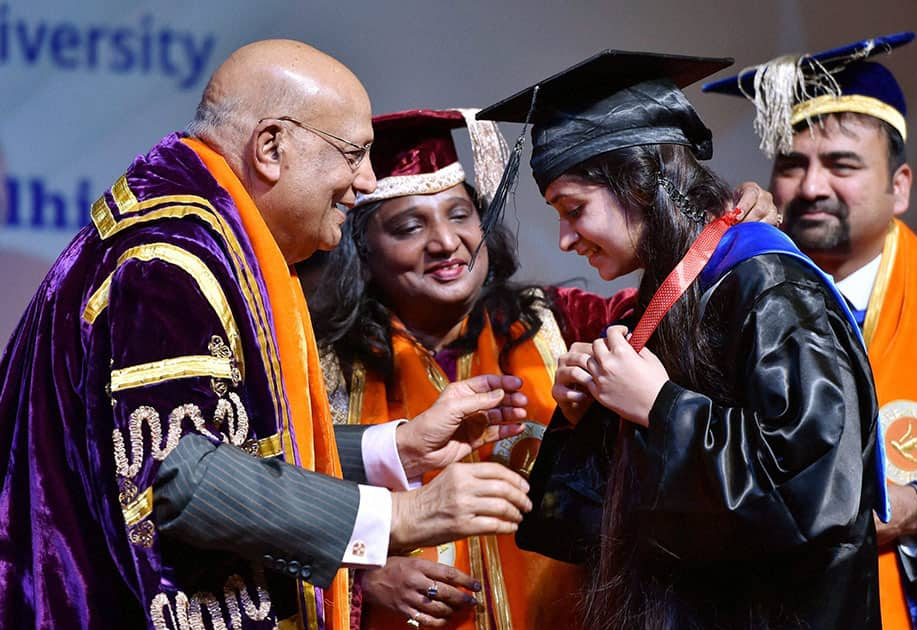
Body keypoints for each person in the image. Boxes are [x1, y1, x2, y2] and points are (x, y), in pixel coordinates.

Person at [0, 40, 535, 630]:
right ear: (272, 147)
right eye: (354, 154)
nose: (366, 181)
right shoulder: (171, 259)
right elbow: (183, 475)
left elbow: (227, 439)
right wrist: (402, 515)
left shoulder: (191, 227)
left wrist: (396, 449)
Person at [304, 107, 779, 629]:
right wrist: (365, 575)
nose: (445, 242)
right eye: (410, 226)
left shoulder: (562, 322)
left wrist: (719, 229)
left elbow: (685, 308)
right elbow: (280, 504)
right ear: (364, 253)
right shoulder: (322, 364)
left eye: (460, 215)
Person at [477, 49, 885, 629]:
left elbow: (819, 499)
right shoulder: (669, 294)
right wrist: (586, 415)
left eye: (574, 209)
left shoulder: (771, 287)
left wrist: (661, 407)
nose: (565, 239)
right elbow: (603, 525)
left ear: (641, 184)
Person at [704, 32, 917, 629]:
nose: (811, 187)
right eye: (791, 164)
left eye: (842, 164)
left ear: (900, 186)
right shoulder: (723, 309)